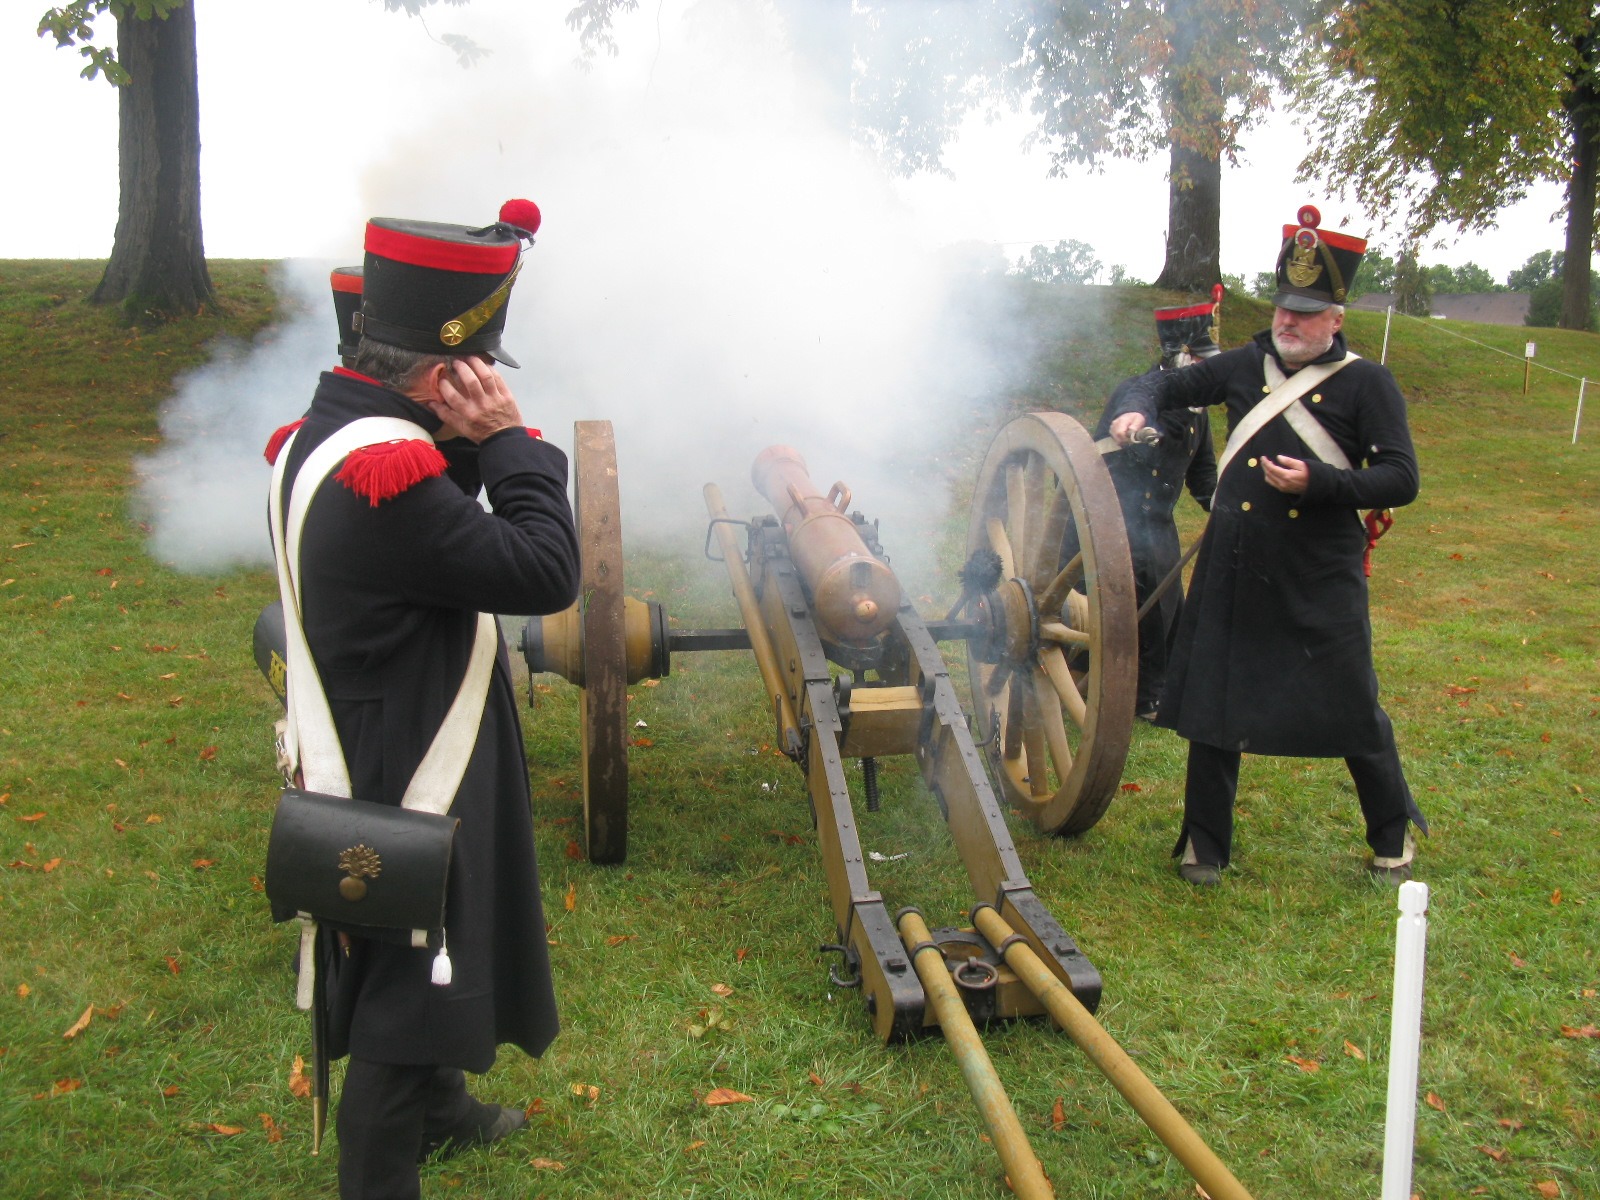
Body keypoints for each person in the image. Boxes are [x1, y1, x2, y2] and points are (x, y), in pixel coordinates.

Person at [264, 199, 580, 1197]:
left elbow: (437, 535)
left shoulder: (339, 432)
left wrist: (459, 433)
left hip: (387, 722)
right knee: (411, 975)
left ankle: (445, 1109)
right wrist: (508, 438)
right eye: (475, 375)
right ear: (447, 375)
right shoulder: (385, 476)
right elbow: (543, 571)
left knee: (437, 941)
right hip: (408, 759)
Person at [1108, 204, 1426, 888]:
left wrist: (1321, 481)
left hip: (1319, 569)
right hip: (1235, 562)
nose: (1288, 321)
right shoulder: (1245, 365)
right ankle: (1204, 844)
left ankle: (1392, 839)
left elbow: (1401, 479)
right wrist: (1131, 408)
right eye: (1284, 308)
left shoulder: (1368, 384)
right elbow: (1162, 382)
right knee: (1213, 706)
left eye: (1306, 312)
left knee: (1352, 704)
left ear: (1336, 318)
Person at [1092, 296, 1219, 720]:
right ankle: (1139, 695)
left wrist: (1222, 503)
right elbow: (1115, 454)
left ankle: (1155, 692)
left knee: (1167, 615)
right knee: (1134, 613)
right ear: (1181, 356)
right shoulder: (1137, 393)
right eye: (1202, 359)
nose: (1210, 370)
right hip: (1116, 520)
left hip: (1157, 526)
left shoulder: (1198, 409)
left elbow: (1202, 473)